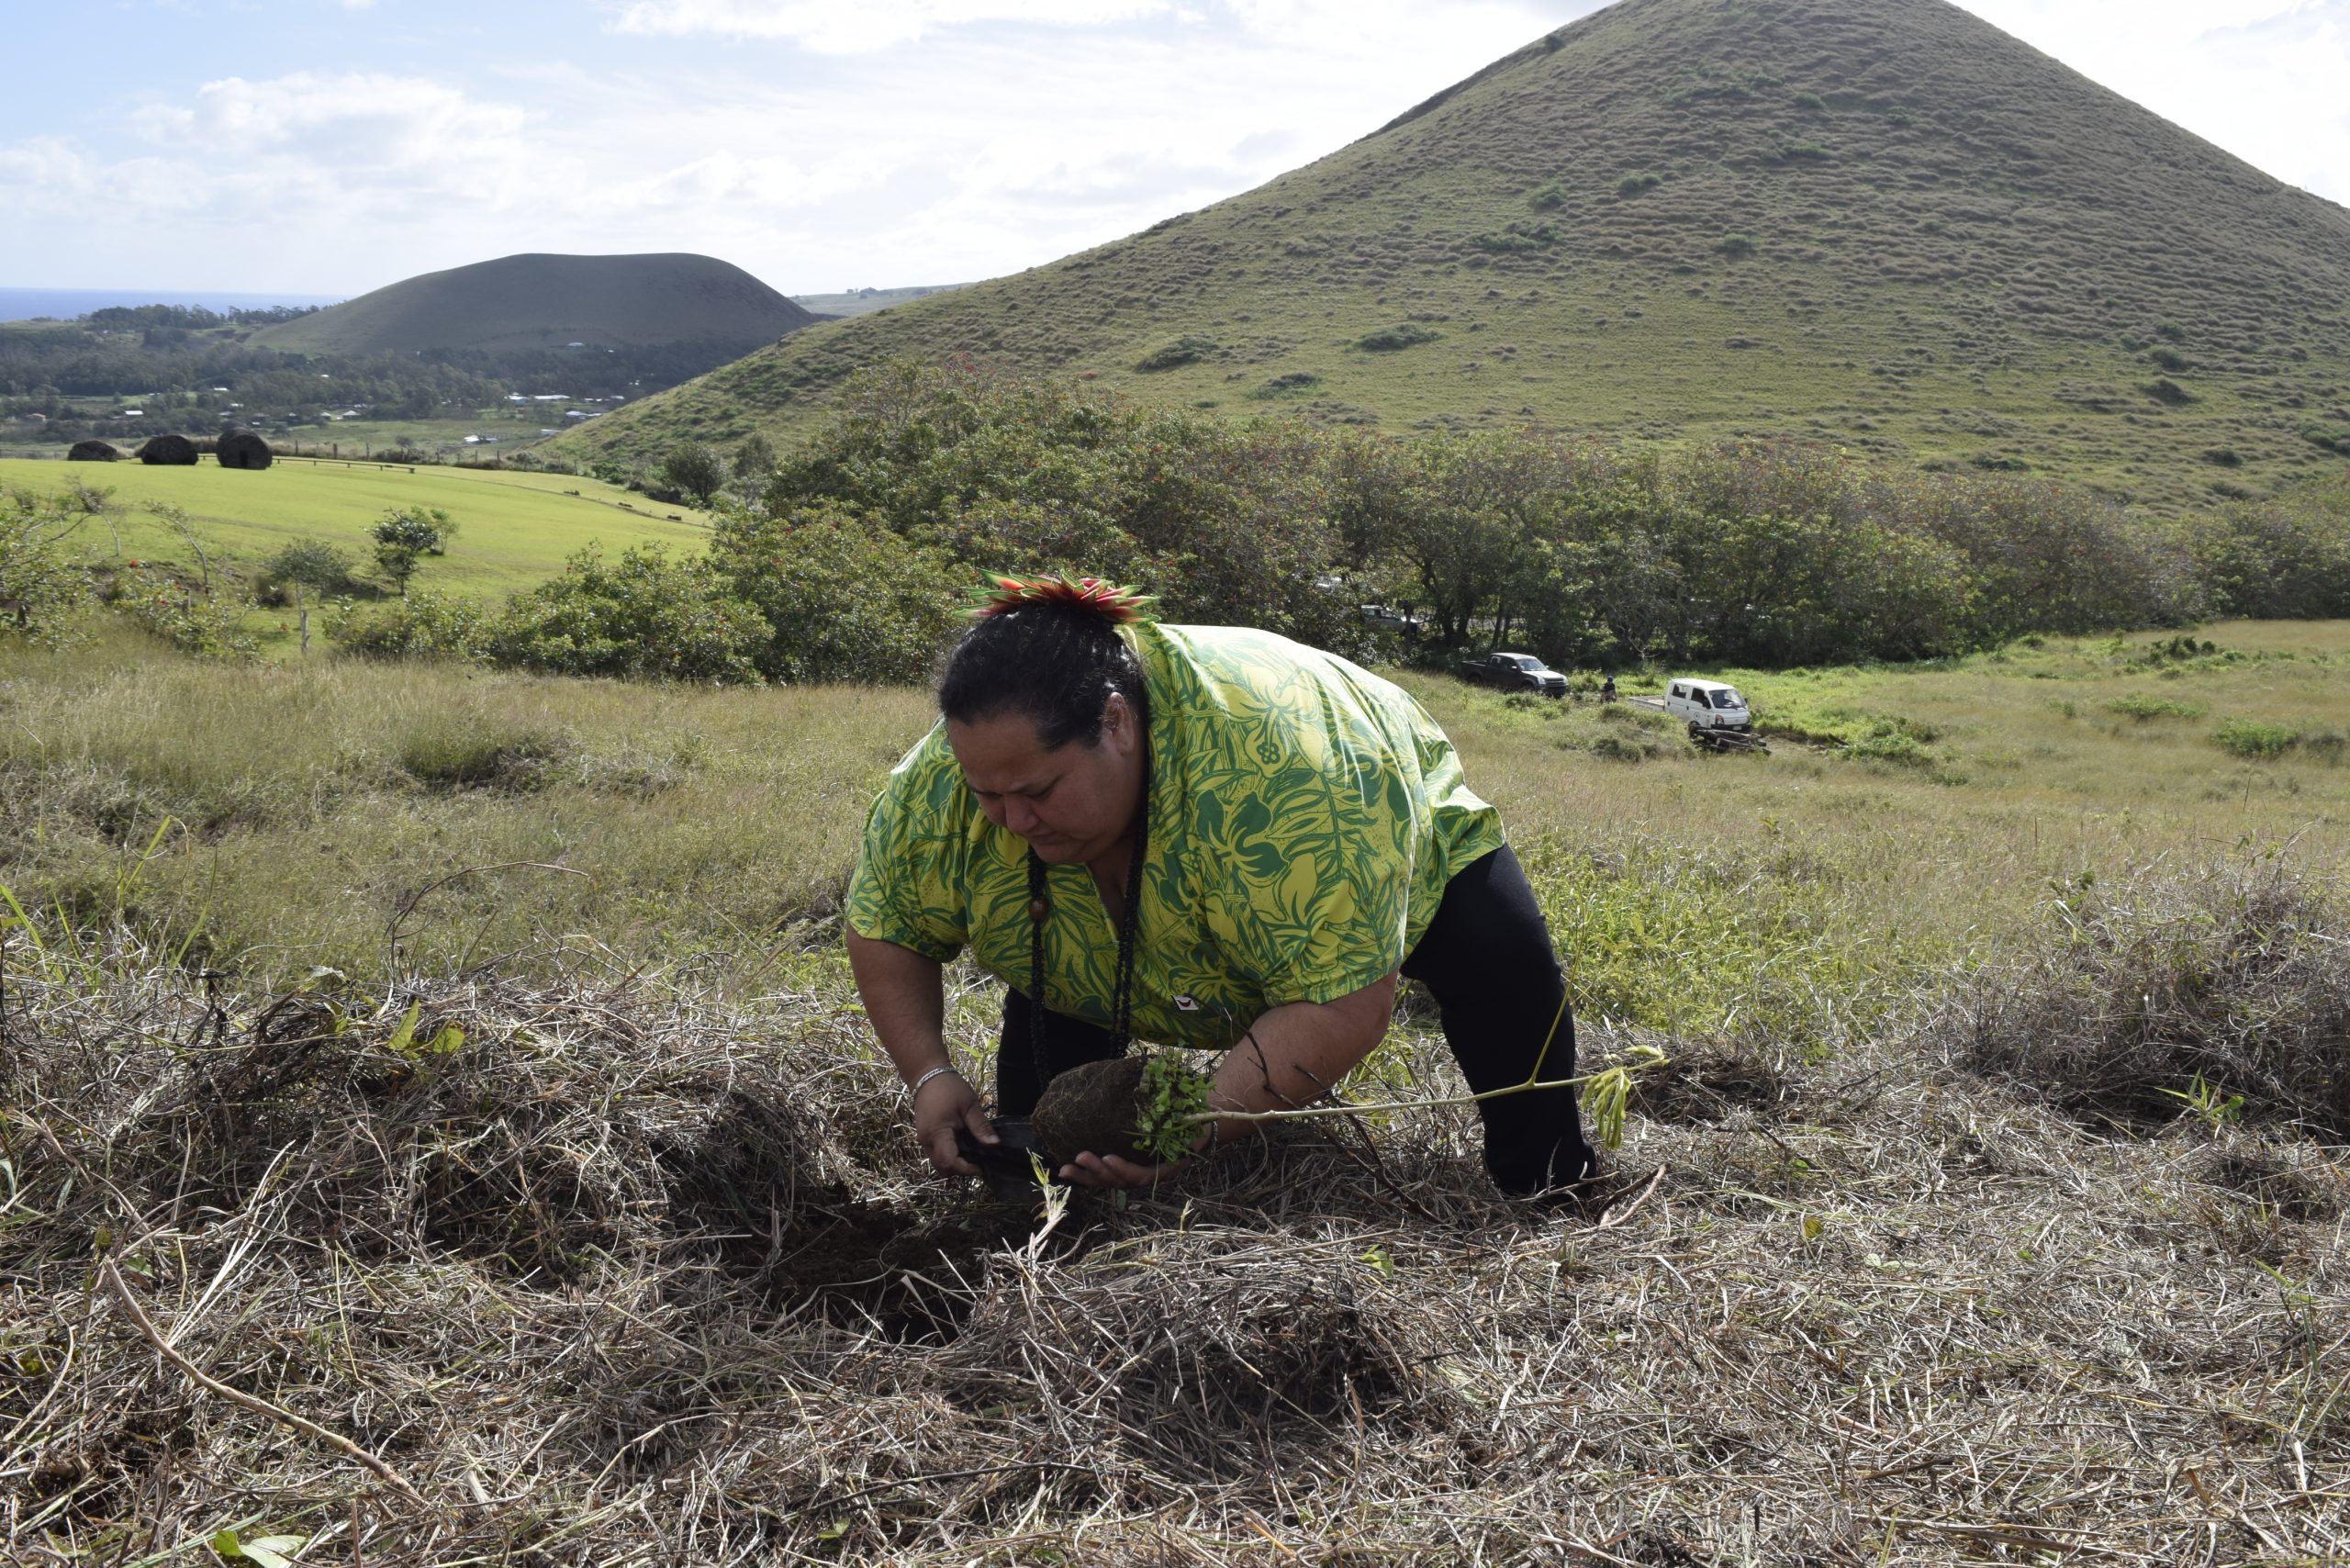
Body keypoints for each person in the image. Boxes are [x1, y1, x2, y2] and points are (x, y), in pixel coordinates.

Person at [844, 575, 1595, 1197]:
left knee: (1504, 973)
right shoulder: (948, 780)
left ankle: (1549, 1190)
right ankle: (1050, 1226)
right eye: (988, 794)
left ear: (1116, 724)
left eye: (1037, 790)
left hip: (1387, 830)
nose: (1010, 820)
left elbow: (1343, 1002)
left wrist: (1196, 1130)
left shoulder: (1287, 777)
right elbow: (886, 922)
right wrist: (930, 1075)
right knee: (1042, 1155)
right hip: (1097, 933)